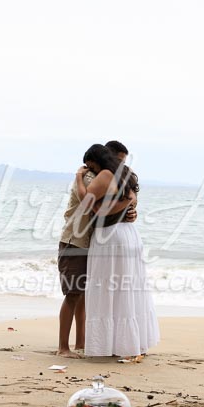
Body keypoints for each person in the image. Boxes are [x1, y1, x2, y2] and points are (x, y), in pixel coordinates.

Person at [78, 144, 159, 358]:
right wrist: (126, 206)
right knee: (128, 289)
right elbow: (131, 199)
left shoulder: (105, 175)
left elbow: (87, 204)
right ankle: (130, 343)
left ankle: (109, 345)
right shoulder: (127, 174)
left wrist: (79, 179)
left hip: (109, 235)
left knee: (106, 289)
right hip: (129, 234)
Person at [56, 141, 135, 358]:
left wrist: (129, 209)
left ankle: (80, 343)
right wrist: (126, 203)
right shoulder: (89, 177)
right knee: (73, 295)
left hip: (87, 242)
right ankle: (63, 347)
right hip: (74, 242)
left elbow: (124, 196)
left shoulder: (102, 177)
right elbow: (92, 204)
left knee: (82, 295)